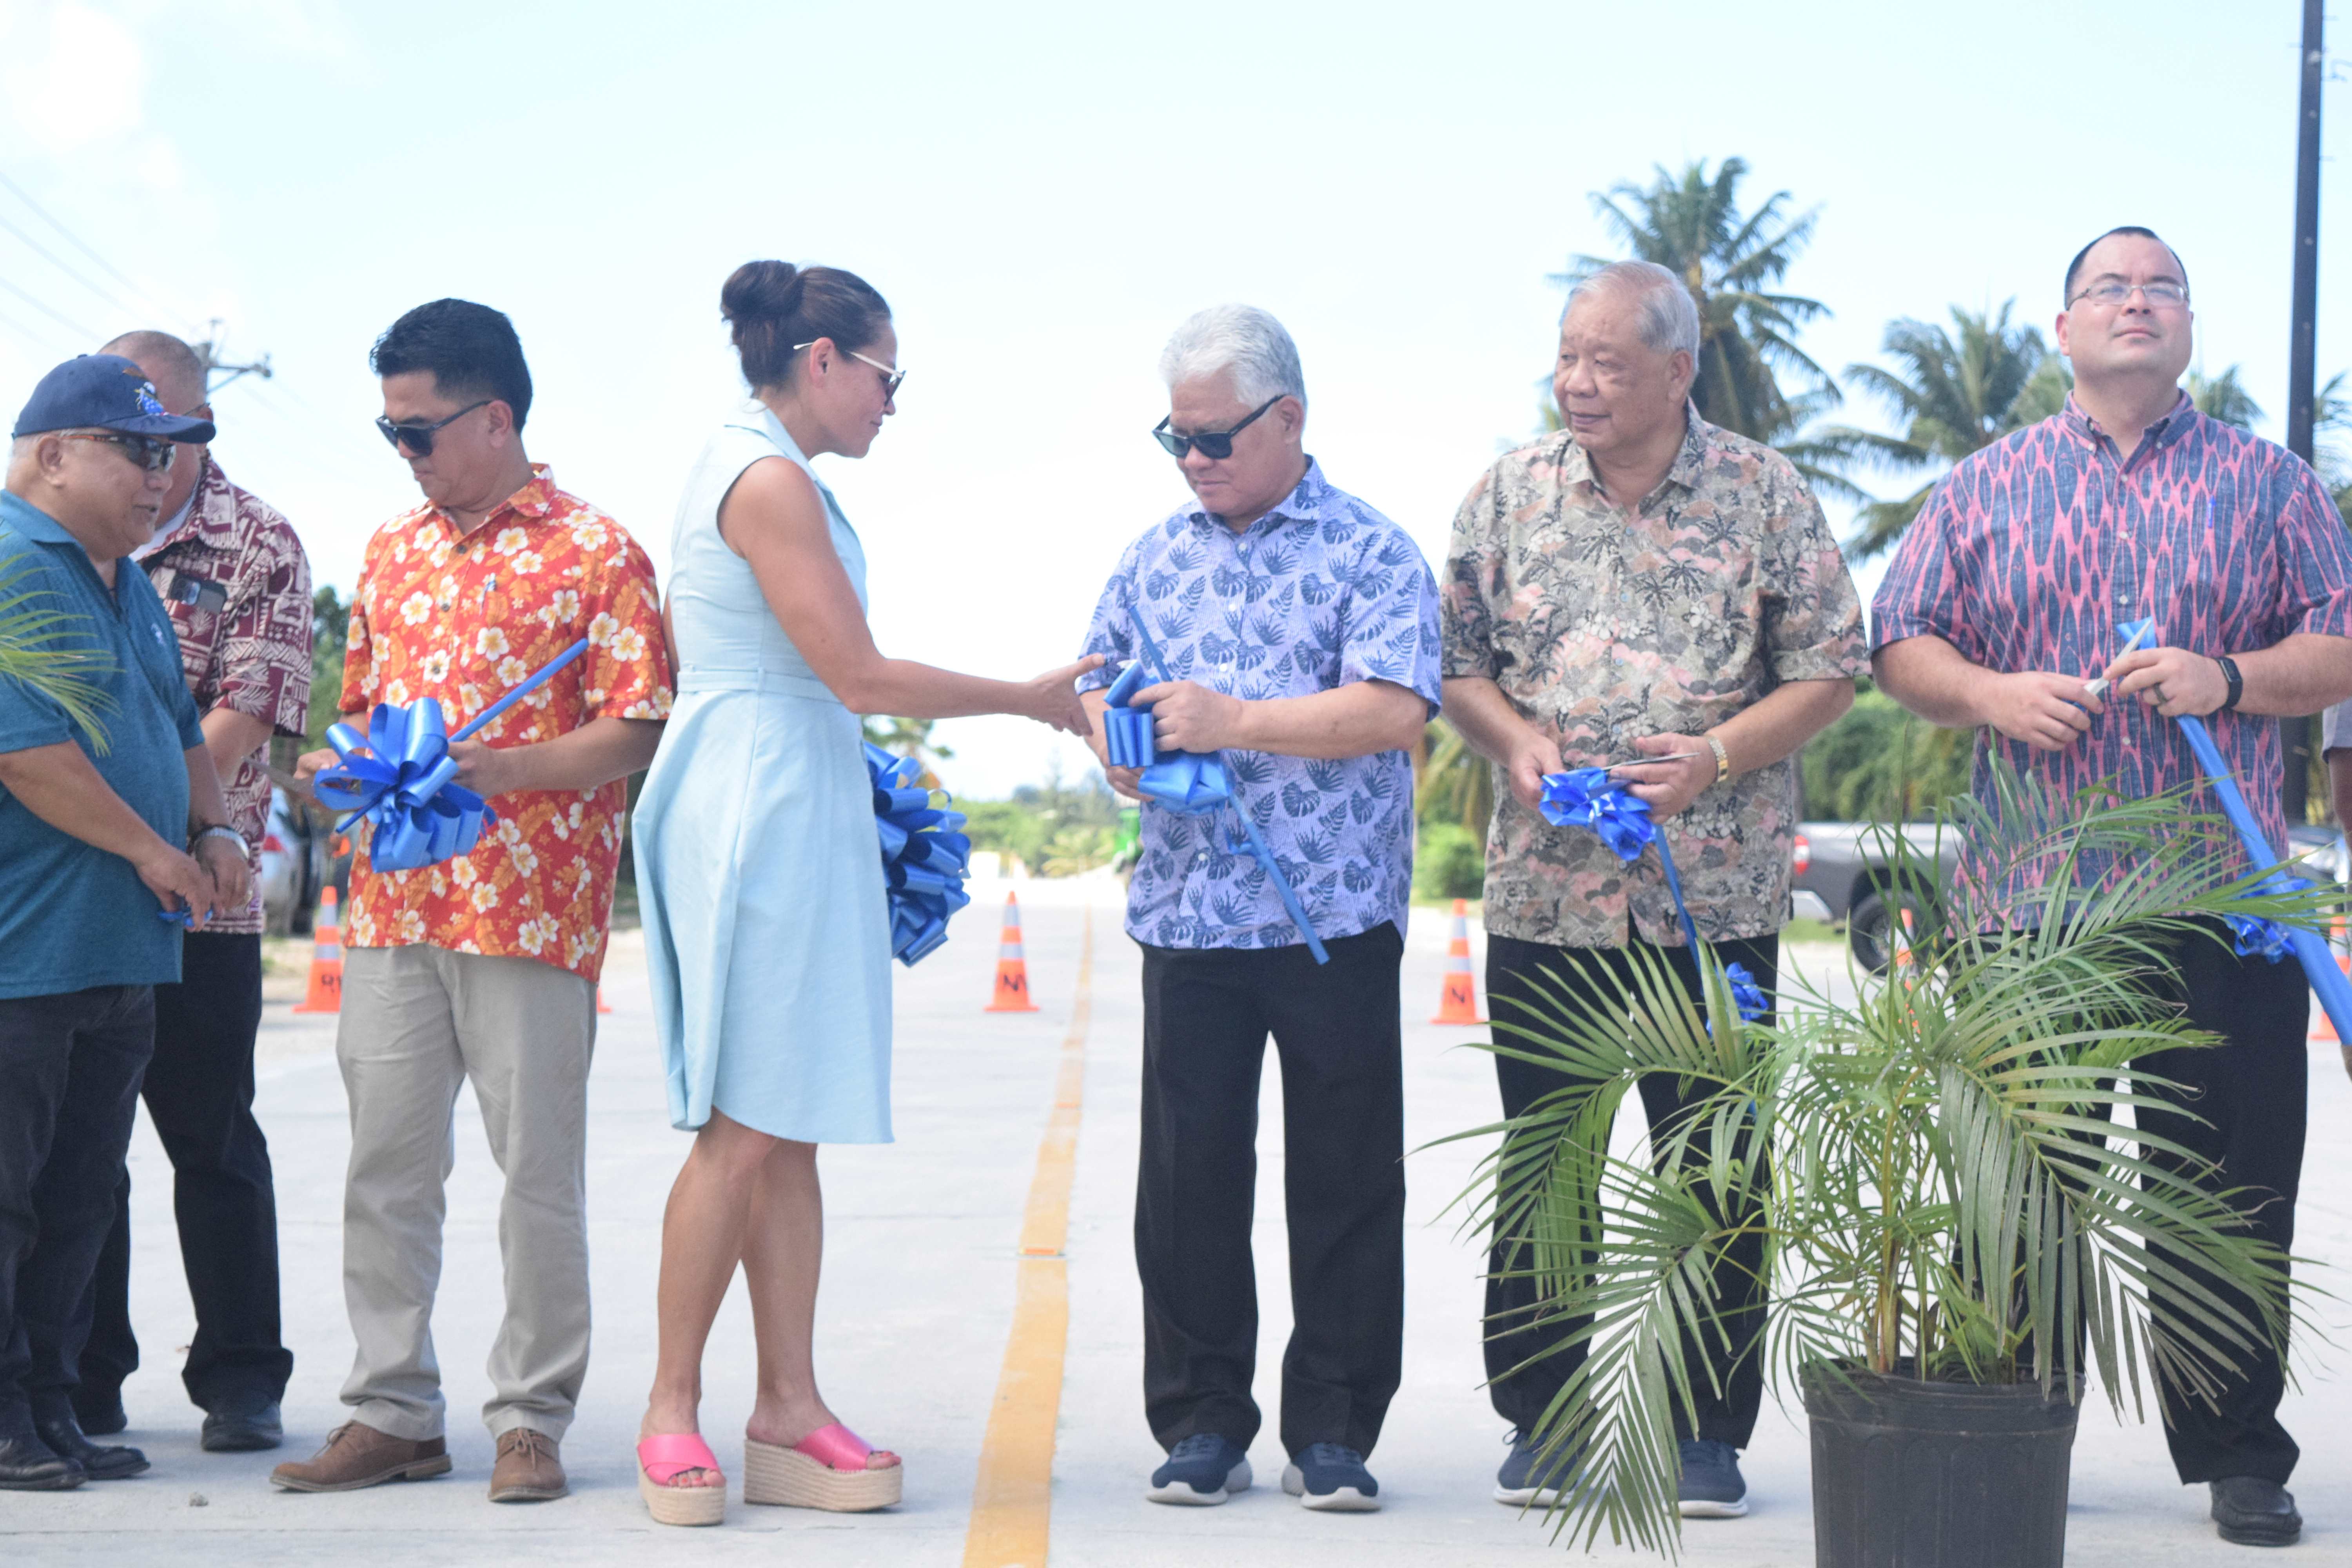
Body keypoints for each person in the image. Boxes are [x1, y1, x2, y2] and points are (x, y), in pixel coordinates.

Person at [1872, 227, 2352, 1551]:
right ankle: (2015, 1435)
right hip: (2032, 907)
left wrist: (2232, 678)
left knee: (2230, 1186)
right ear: (2064, 328)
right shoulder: (1982, 485)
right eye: (2111, 289)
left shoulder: (2272, 483)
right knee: (2025, 1191)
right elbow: (1897, 640)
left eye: (2165, 290)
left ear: (2190, 326)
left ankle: (2240, 1454)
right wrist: (1989, 694)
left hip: (2224, 899)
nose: (2138, 305)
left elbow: (2342, 644)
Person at [630, 260, 1098, 1527]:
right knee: (740, 1123)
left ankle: (788, 1404)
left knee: (790, 1117)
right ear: (825, 361)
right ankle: (670, 1408)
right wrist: (1031, 697)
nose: (896, 403)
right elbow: (858, 675)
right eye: (889, 376)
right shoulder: (768, 478)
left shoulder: (782, 472)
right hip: (755, 797)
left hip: (793, 786)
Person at [1440, 260, 1866, 1519]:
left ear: (1679, 371)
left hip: (1714, 903)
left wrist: (1722, 756)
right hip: (1547, 902)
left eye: (1609, 361)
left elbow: (1835, 667)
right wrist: (1511, 740)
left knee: (1720, 1168)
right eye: (1568, 354)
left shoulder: (1764, 492)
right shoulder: (1509, 493)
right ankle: (1548, 1419)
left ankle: (1703, 1435)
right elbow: (1455, 665)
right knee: (1548, 1163)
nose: (1578, 380)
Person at [281, 300, 672, 1504]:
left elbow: (638, 728)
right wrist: (337, 769)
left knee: (533, 1175)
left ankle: (531, 1419)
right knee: (386, 1170)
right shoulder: (393, 555)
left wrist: (502, 771)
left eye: (418, 429)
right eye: (391, 431)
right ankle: (392, 1409)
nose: (403, 451)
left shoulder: (599, 553)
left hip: (529, 908)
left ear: (496, 417)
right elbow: (368, 714)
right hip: (395, 908)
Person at [1075, 304, 1440, 1514]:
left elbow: (1393, 709)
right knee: (1187, 1180)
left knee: (1343, 1175)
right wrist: (1114, 741)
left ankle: (1333, 1429)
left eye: (1217, 438)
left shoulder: (1371, 551)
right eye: (1175, 439)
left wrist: (1235, 719)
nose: (1195, 461)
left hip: (1331, 915)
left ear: (1290, 419)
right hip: (1187, 912)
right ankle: (1199, 1424)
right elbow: (1096, 679)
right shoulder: (1150, 555)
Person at [0, 354, 245, 1489]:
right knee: (8, 1199)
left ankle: (50, 1407)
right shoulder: (9, 562)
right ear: (52, 455)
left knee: (79, 1198)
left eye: (171, 451)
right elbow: (27, 755)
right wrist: (152, 850)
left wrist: (214, 830)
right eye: (136, 448)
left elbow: (177, 725)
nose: (162, 473)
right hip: (27, 953)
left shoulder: (124, 577)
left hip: (120, 949)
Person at [71, 330, 311, 1455]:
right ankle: (82, 1376)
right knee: (82, 1147)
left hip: (204, 896)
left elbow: (244, 713)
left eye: (159, 426)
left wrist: (146, 821)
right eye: (124, 430)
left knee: (212, 1137)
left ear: (196, 420)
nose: (146, 451)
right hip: (86, 894)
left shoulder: (258, 540)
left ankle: (241, 1379)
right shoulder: (62, 540)